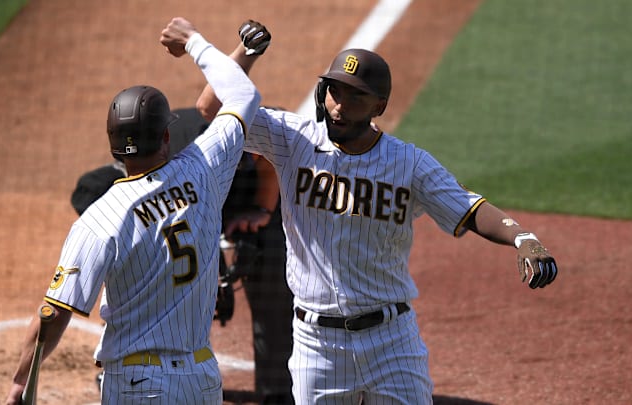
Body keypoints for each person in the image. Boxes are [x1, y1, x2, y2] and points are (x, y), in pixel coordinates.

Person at [222, 46, 559, 404]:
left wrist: (522, 236)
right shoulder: (294, 139)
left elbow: (469, 208)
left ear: (379, 106)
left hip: (392, 341)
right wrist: (244, 54)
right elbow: (216, 108)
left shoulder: (408, 163)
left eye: (356, 96)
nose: (340, 104)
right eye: (335, 91)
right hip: (316, 344)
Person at [4, 16, 261, 405]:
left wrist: (21, 383)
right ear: (166, 136)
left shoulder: (99, 219)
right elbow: (243, 96)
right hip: (202, 376)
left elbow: (52, 313)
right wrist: (193, 41)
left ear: (112, 147)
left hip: (139, 385)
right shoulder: (204, 168)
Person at [70, 20, 294, 404]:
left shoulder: (211, 147)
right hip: (193, 206)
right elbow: (219, 100)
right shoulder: (142, 177)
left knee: (271, 274)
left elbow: (262, 155)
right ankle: (129, 364)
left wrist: (260, 209)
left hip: (247, 196)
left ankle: (277, 391)